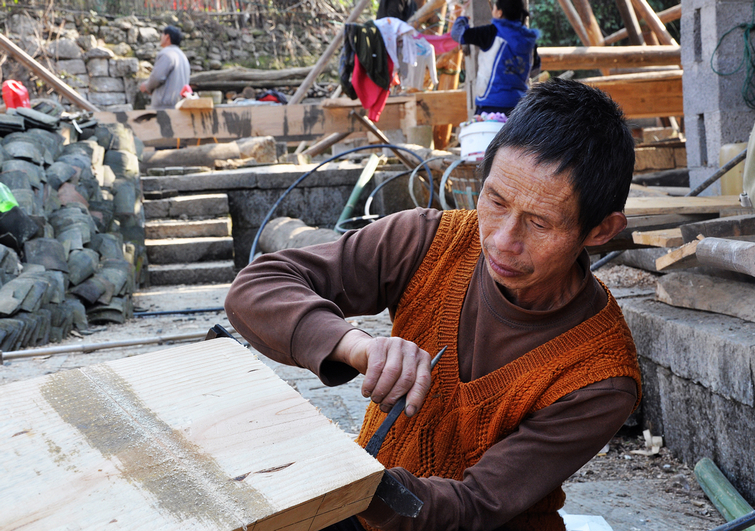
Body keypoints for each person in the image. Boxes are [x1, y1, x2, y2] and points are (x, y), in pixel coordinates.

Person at [225, 78, 641, 531]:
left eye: (539, 223)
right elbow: (258, 287)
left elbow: (473, 507)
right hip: (371, 507)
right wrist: (354, 346)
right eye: (496, 201)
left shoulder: (600, 377)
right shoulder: (431, 241)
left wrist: (349, 479)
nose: (502, 241)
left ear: (602, 230)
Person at [451, 0, 540, 116]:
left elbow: (457, 34)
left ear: (499, 13)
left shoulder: (491, 32)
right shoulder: (530, 39)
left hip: (490, 107)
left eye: (494, 8)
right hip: (518, 109)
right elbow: (534, 71)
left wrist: (462, 19)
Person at [139, 25, 191, 110]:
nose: (161, 37)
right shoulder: (182, 56)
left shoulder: (166, 54)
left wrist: (147, 86)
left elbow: (157, 77)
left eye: (162, 34)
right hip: (179, 104)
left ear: (167, 37)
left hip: (165, 106)